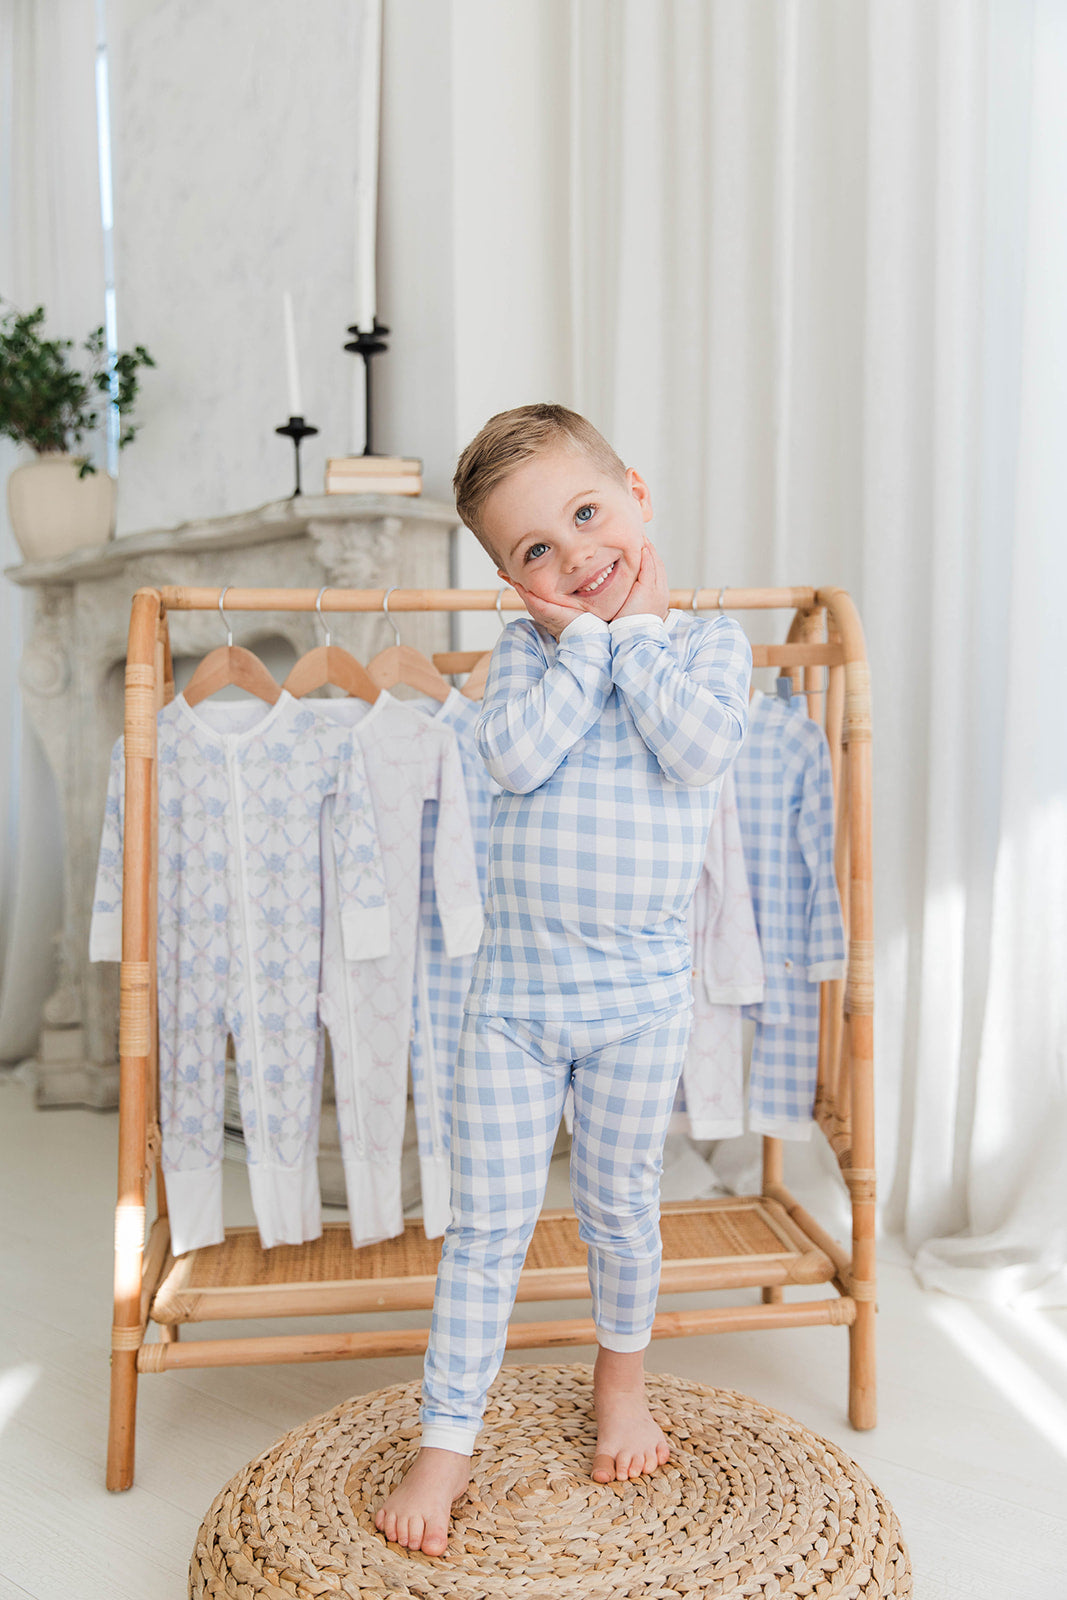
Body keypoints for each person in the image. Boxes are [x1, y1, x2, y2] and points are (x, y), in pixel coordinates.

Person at [375, 402, 752, 1556]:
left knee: (618, 1208)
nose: (574, 556)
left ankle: (620, 1383)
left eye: (586, 515)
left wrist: (634, 637)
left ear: (635, 492)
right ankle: (448, 1442)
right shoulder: (522, 662)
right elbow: (514, 760)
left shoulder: (706, 650)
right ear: (507, 579)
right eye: (534, 549)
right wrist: (584, 644)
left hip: (638, 1001)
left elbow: (695, 750)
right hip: (518, 1005)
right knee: (484, 1227)